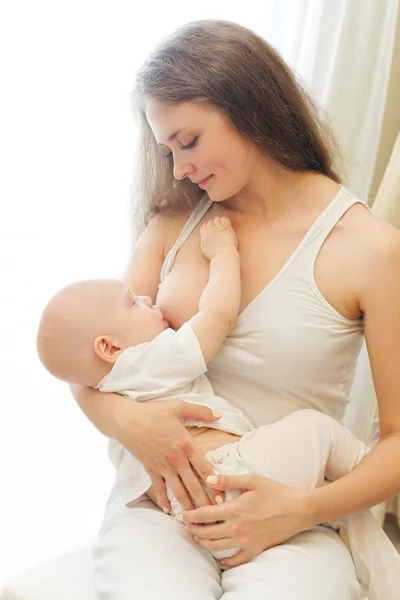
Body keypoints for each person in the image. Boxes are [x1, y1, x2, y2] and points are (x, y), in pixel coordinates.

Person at [69, 19, 400, 600]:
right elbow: (90, 358)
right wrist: (130, 423)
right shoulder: (174, 221)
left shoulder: (369, 250)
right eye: (167, 149)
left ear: (247, 105)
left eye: (188, 141)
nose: (178, 170)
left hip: (291, 518)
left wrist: (300, 509)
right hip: (159, 505)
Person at [37, 218, 400, 599]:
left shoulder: (107, 379)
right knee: (317, 430)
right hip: (230, 478)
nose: (149, 300)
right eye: (135, 302)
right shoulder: (154, 357)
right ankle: (359, 474)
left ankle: (349, 507)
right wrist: (223, 253)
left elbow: (77, 370)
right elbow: (217, 316)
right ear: (110, 348)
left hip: (185, 509)